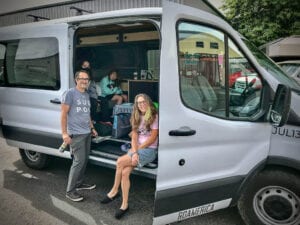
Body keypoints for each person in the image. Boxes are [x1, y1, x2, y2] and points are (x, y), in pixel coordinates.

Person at [100, 93, 158, 219]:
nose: (141, 104)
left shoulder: (154, 116)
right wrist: (135, 150)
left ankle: (114, 191)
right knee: (125, 172)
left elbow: (152, 138)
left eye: (143, 102)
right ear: (136, 105)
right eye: (139, 102)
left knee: (120, 162)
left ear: (148, 102)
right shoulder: (137, 115)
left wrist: (136, 152)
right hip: (136, 148)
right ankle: (124, 205)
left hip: (149, 150)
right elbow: (134, 136)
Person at [61, 70, 98, 202]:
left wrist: (92, 128)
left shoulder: (86, 95)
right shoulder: (70, 93)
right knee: (78, 162)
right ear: (76, 80)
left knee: (84, 159)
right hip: (76, 134)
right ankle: (70, 191)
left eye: (87, 79)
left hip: (86, 132)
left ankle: (79, 183)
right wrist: (65, 133)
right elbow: (64, 114)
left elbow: (87, 114)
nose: (84, 81)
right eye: (82, 78)